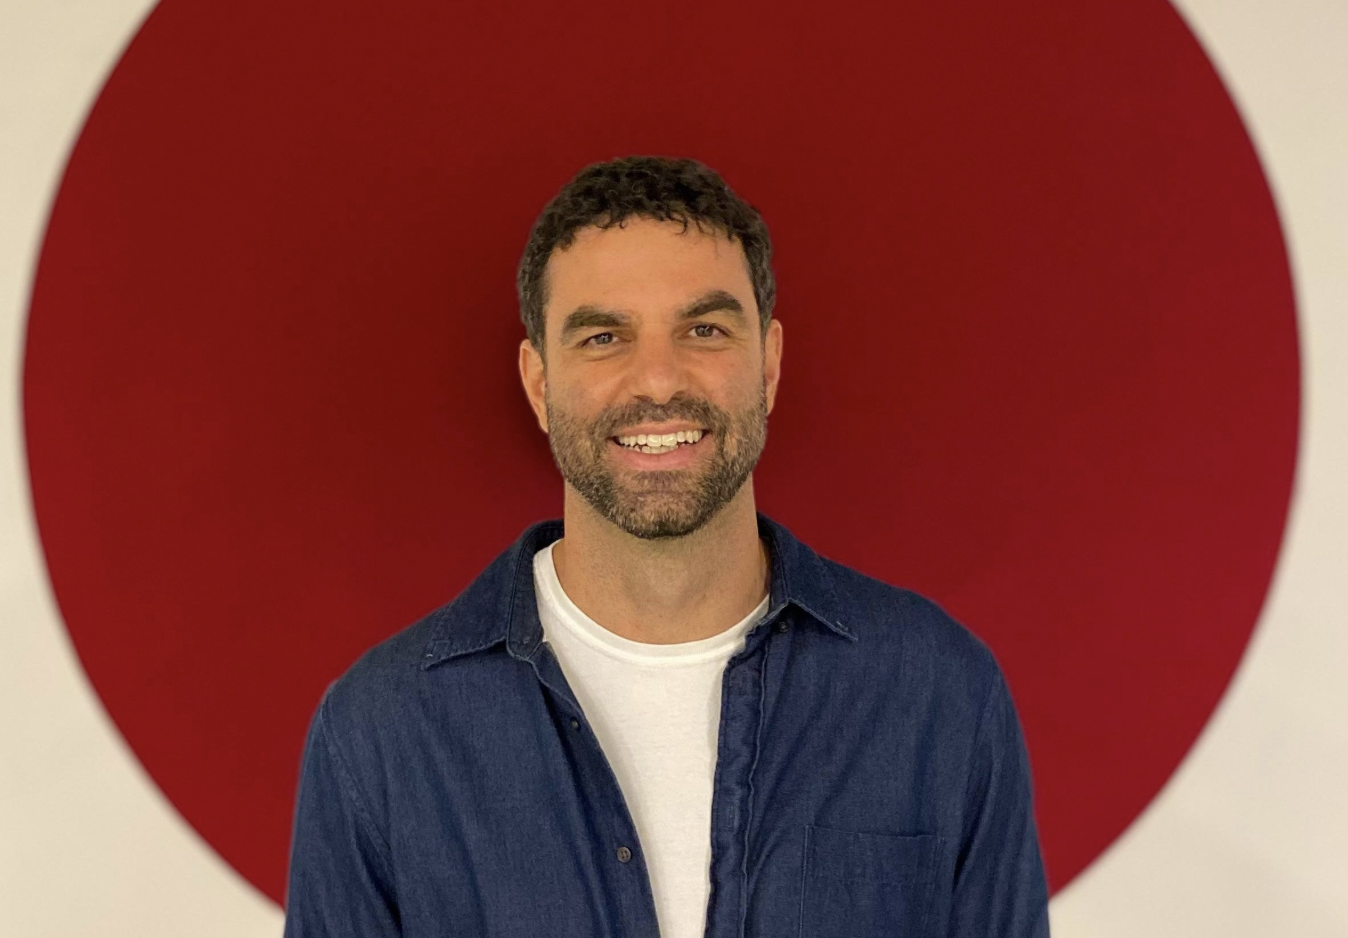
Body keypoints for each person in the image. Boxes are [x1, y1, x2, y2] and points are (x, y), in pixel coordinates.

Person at [283, 156, 1050, 937]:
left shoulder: (940, 694)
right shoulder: (380, 735)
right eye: (603, 336)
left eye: (704, 330)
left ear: (769, 365)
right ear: (539, 385)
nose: (656, 381)